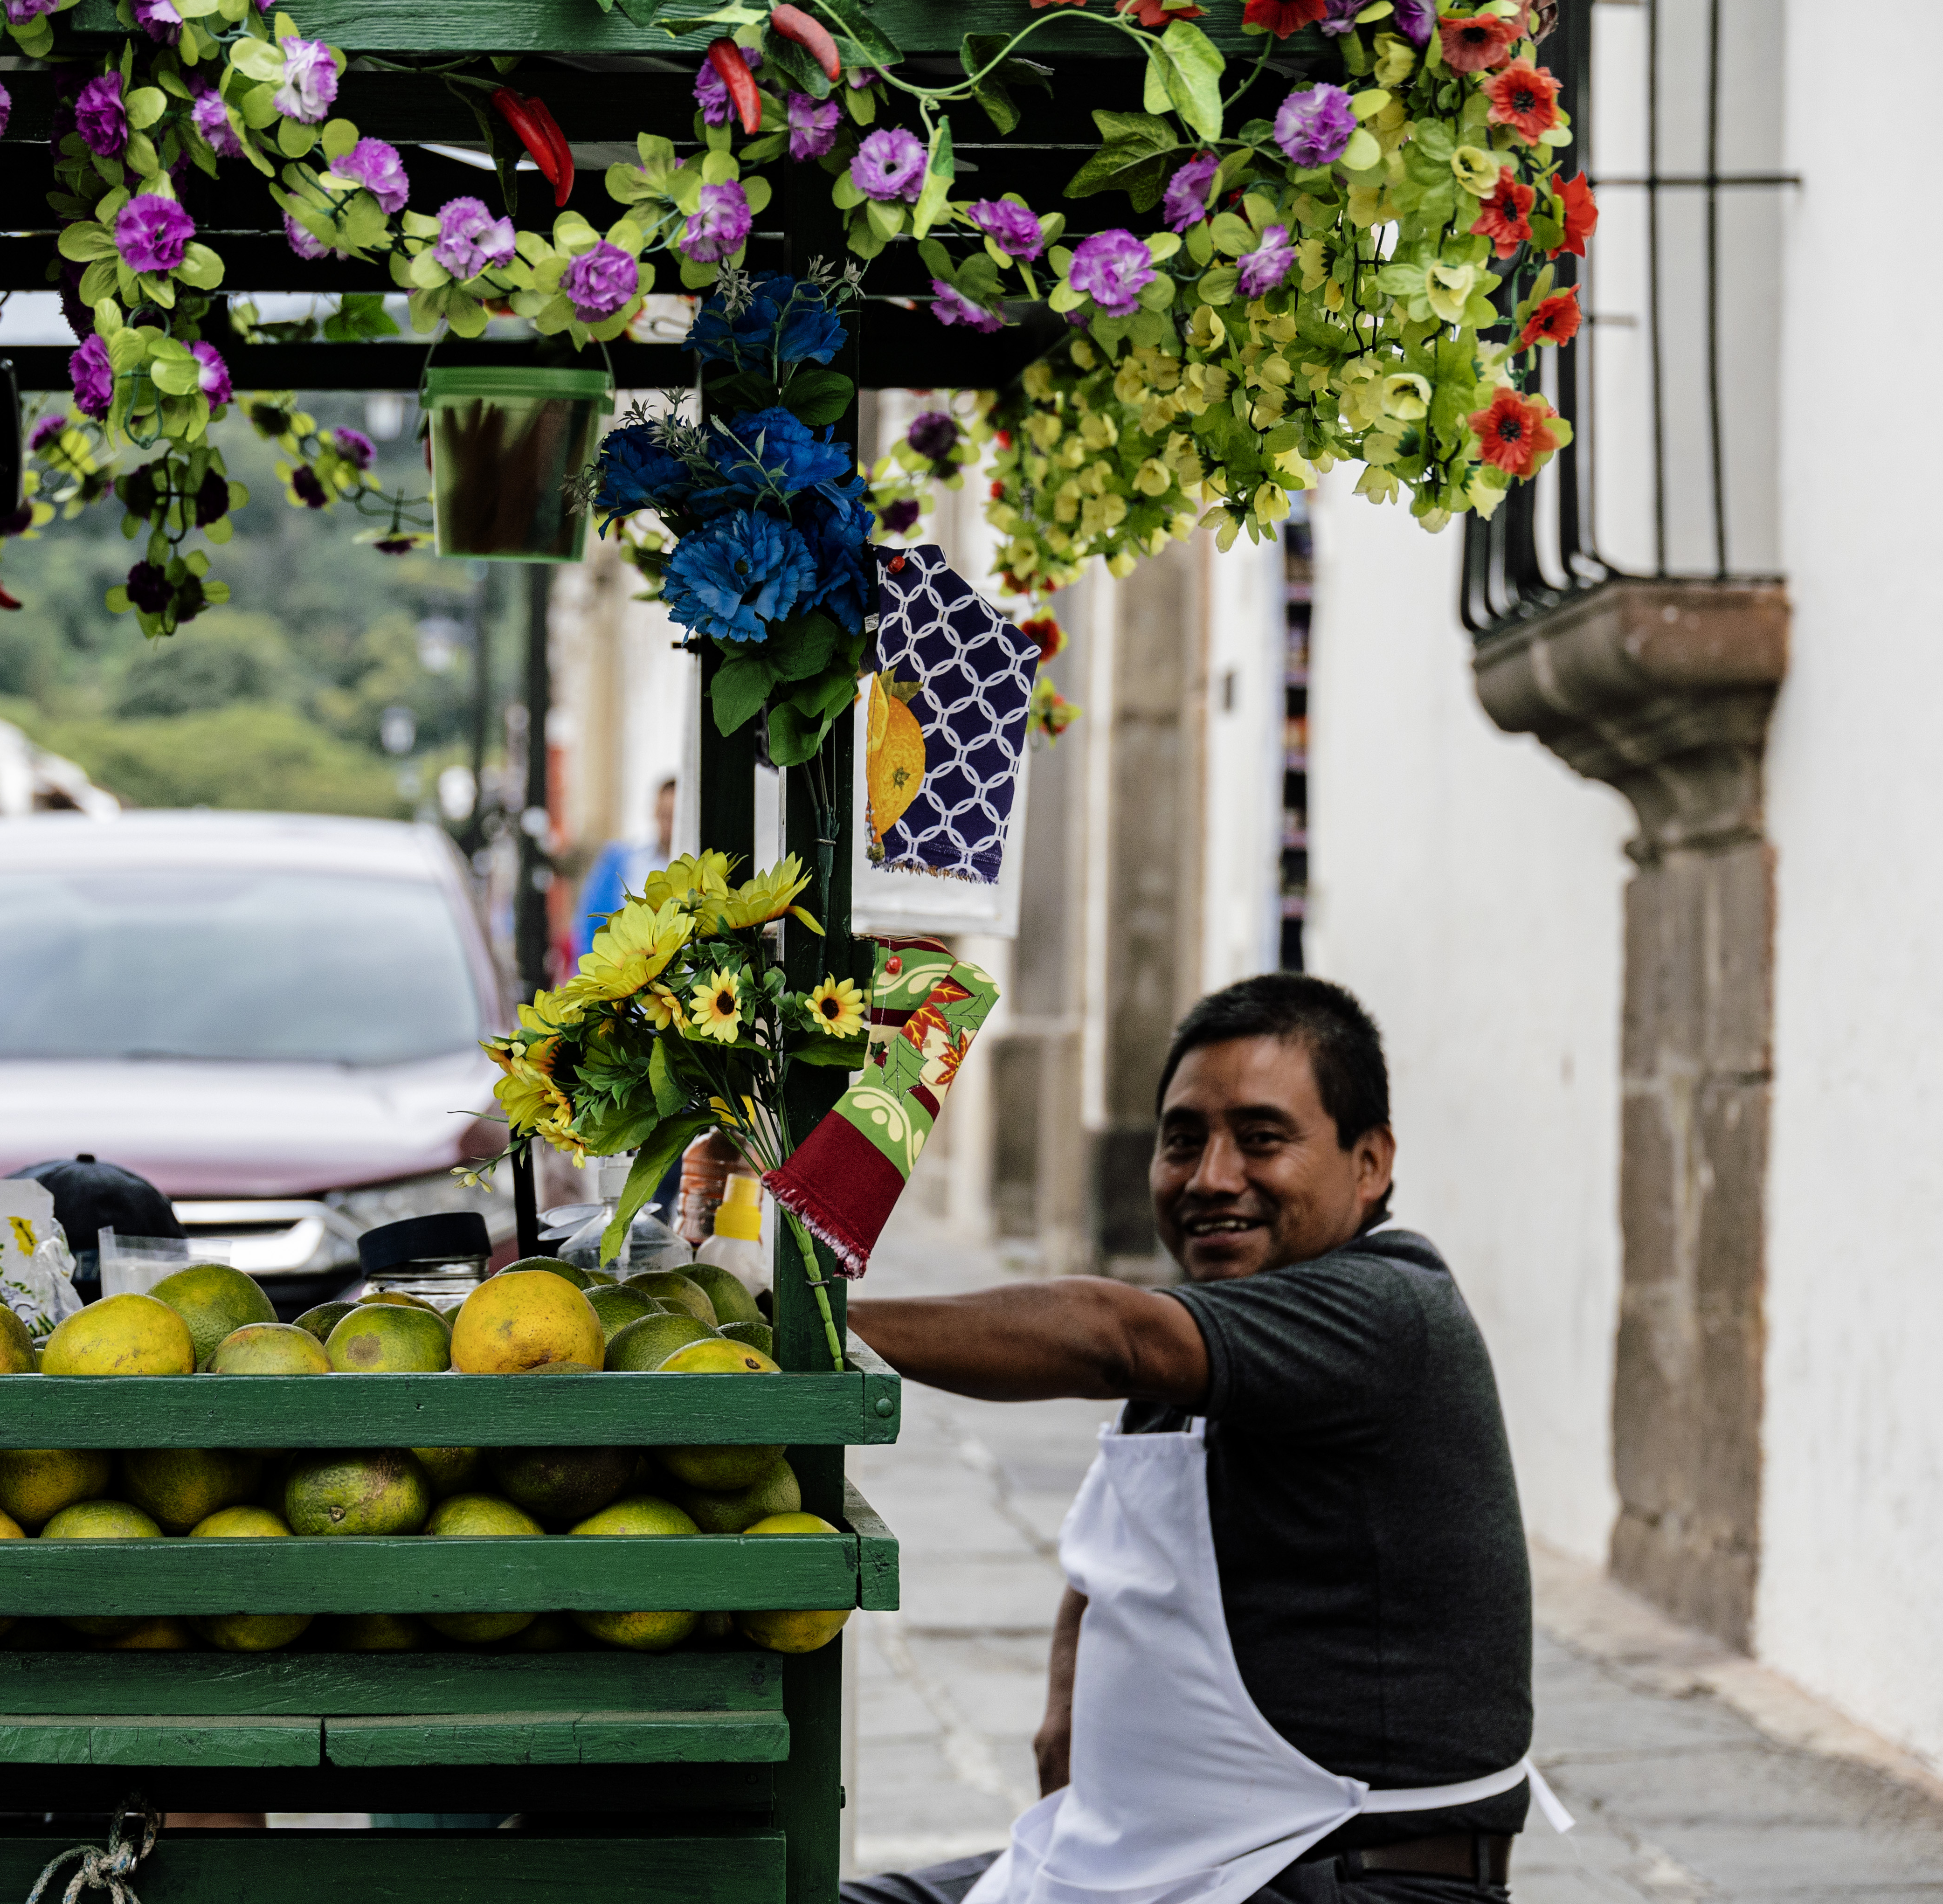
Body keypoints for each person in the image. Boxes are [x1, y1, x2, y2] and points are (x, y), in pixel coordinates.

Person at [844, 975, 1543, 1903]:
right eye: (1183, 1141)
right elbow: (1114, 1546)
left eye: (1261, 1138)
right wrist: (1068, 1704)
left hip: (1340, 1876)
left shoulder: (1387, 1308)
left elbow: (1112, 1337)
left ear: (1369, 1162)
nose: (1212, 1178)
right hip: (1171, 1852)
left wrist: (822, 1325)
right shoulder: (1215, 1342)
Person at [575, 775, 677, 952]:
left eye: (675, 817)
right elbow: (591, 926)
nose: (669, 825)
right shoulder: (621, 862)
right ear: (655, 812)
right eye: (665, 815)